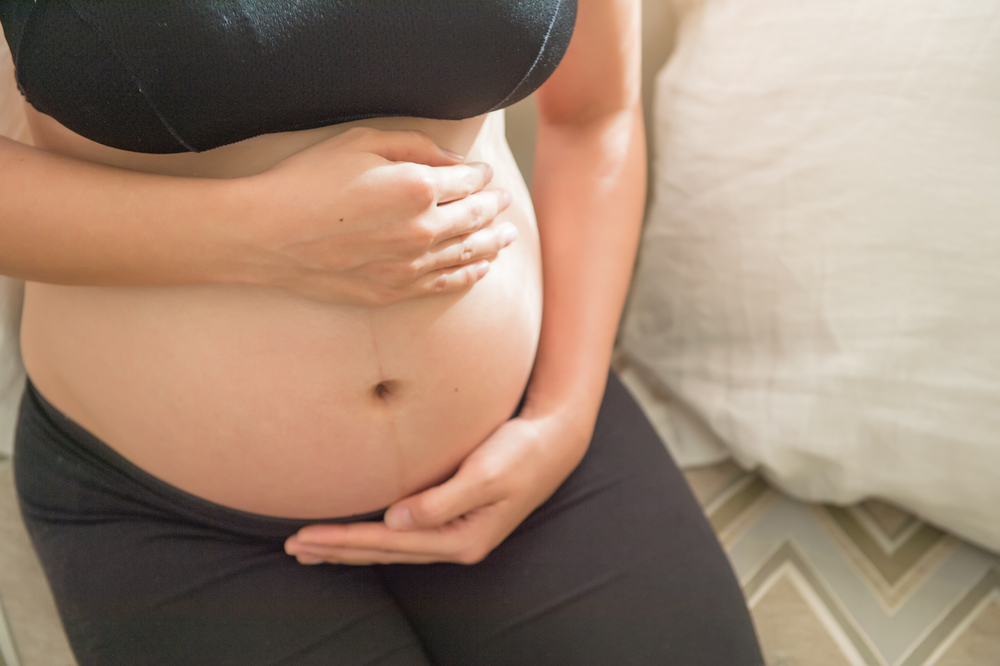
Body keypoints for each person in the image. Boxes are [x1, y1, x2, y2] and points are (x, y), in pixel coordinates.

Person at [1, 1, 763, 664]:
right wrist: (255, 237)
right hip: (169, 513)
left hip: (524, 446)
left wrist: (563, 413)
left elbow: (596, 114)